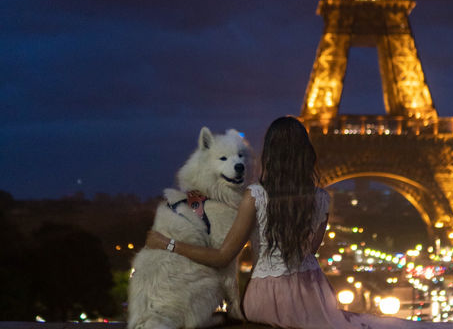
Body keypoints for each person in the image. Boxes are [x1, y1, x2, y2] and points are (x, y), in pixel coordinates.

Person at [146, 116, 422, 328]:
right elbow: (309, 251)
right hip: (314, 295)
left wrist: (168, 244)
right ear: (306, 152)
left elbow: (222, 257)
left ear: (270, 154)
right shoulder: (321, 199)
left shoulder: (254, 196)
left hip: (265, 299)